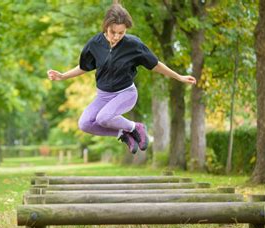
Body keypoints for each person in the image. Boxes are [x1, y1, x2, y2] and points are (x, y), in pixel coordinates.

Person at [47, 3, 196, 154]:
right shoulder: (95, 44)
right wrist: (63, 75)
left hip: (126, 93)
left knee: (103, 118)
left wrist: (179, 77)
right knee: (85, 124)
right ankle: (123, 134)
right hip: (103, 96)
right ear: (106, 27)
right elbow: (84, 67)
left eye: (121, 32)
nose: (117, 37)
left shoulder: (133, 45)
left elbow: (155, 64)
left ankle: (136, 127)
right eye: (113, 32)